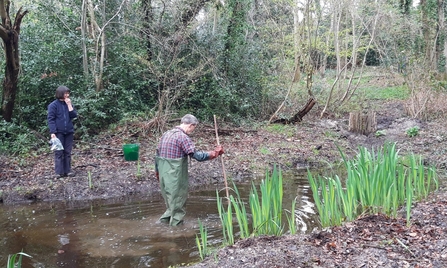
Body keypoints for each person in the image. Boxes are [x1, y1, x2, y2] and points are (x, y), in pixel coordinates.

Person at [155, 114, 224, 226]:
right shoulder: (183, 137)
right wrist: (214, 153)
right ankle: (176, 233)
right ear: (191, 125)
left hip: (163, 175)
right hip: (175, 177)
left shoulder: (165, 134)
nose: (193, 130)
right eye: (194, 128)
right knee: (178, 205)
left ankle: (162, 226)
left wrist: (157, 173)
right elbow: (197, 156)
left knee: (170, 205)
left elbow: (157, 156)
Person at [47, 86, 78, 178]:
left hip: (69, 131)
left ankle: (68, 171)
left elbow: (73, 115)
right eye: (65, 93)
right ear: (60, 93)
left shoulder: (68, 104)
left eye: (68, 93)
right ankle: (58, 172)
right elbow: (51, 119)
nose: (67, 95)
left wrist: (69, 105)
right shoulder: (53, 105)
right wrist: (53, 132)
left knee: (67, 152)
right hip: (58, 132)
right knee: (59, 152)